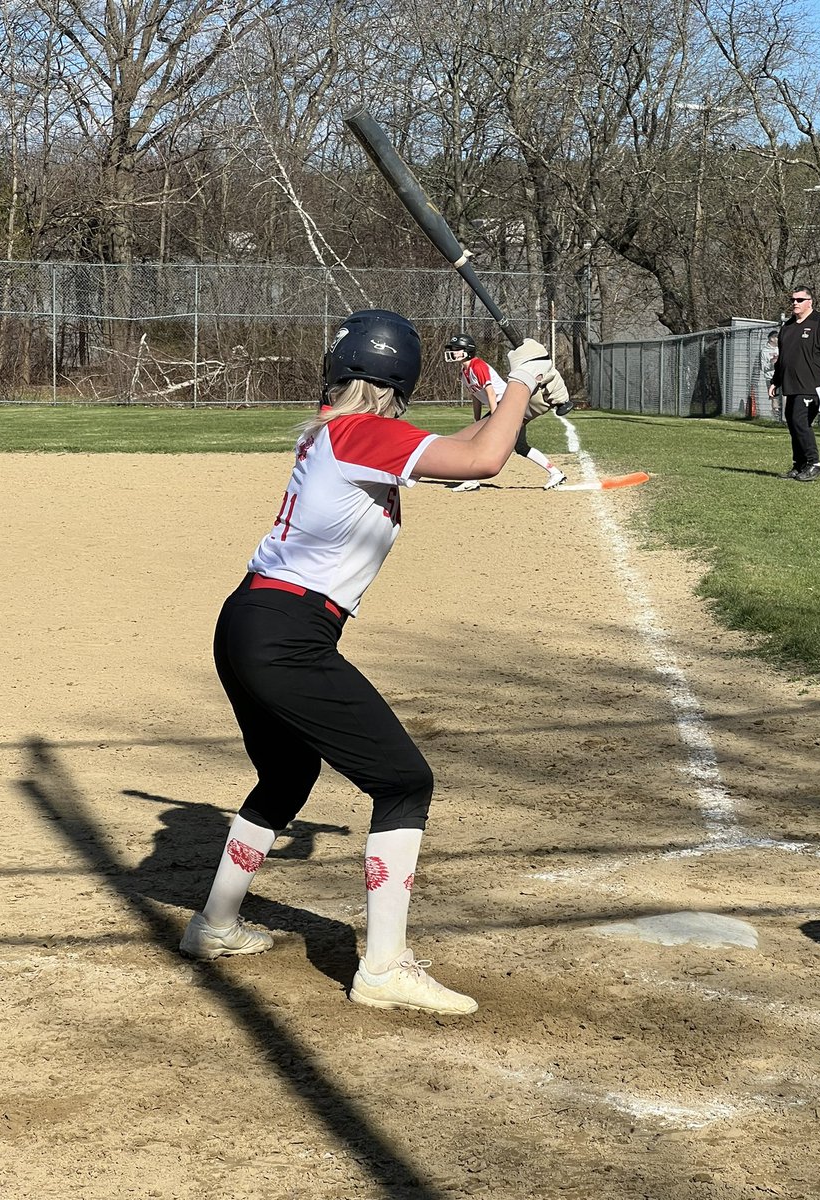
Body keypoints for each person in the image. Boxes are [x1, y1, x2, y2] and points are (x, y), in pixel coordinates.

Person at [179, 309, 569, 1016]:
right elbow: (480, 462)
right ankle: (385, 968)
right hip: (286, 633)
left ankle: (216, 925)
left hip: (252, 621)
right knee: (403, 782)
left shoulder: (346, 433)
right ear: (402, 378)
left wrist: (510, 401)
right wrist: (518, 381)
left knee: (288, 773)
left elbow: (464, 450)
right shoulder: (362, 434)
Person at [444, 332, 568, 491]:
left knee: (475, 440)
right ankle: (555, 473)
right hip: (502, 406)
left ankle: (472, 479)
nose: (453, 352)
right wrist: (477, 420)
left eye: (457, 349)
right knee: (521, 447)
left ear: (467, 351)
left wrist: (495, 420)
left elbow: (491, 393)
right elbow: (476, 396)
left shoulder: (477, 366)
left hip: (505, 405)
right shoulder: (464, 372)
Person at [769, 287, 820, 482]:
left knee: (801, 422)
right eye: (792, 299)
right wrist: (775, 381)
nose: (795, 303)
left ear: (810, 301)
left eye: (800, 300)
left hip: (812, 384)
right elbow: (782, 358)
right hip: (791, 385)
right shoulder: (788, 327)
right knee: (793, 423)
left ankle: (814, 463)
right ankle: (799, 464)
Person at [757, 329, 780, 420]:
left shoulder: (781, 348)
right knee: (774, 396)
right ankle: (776, 415)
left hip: (782, 376)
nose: (778, 339)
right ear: (771, 339)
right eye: (776, 337)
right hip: (771, 378)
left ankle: (785, 416)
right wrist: (771, 363)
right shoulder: (764, 351)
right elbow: (763, 367)